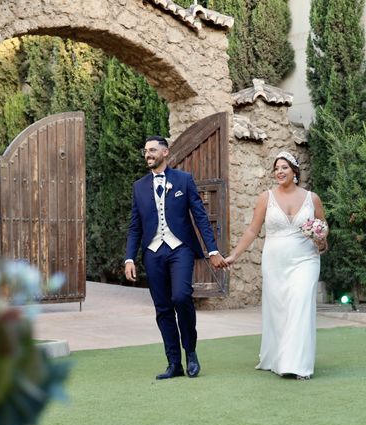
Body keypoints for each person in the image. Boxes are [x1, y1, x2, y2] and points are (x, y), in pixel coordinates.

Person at [125, 135, 227, 380]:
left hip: (179, 248)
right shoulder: (139, 187)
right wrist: (129, 258)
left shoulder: (184, 180)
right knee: (162, 308)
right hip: (153, 252)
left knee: (181, 297)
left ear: (165, 152)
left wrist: (212, 250)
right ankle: (174, 363)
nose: (147, 154)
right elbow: (135, 226)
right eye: (145, 151)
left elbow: (200, 217)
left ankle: (190, 352)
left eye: (152, 150)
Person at [225, 151, 327, 380]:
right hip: (275, 262)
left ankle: (298, 365)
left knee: (300, 304)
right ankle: (278, 357)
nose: (279, 172)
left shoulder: (313, 199)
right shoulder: (266, 197)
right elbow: (253, 230)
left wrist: (321, 240)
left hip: (306, 260)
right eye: (276, 168)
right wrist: (235, 255)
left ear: (295, 172)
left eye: (284, 168)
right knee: (280, 310)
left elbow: (322, 230)